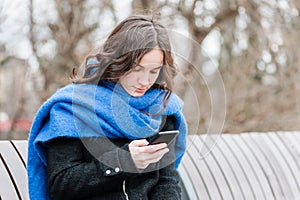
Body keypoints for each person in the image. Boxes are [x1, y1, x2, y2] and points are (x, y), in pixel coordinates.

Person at [27, 14, 187, 200]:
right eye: (136, 69)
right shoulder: (72, 107)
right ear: (118, 61)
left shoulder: (160, 108)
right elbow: (61, 183)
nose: (145, 81)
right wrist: (125, 160)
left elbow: (167, 181)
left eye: (154, 71)